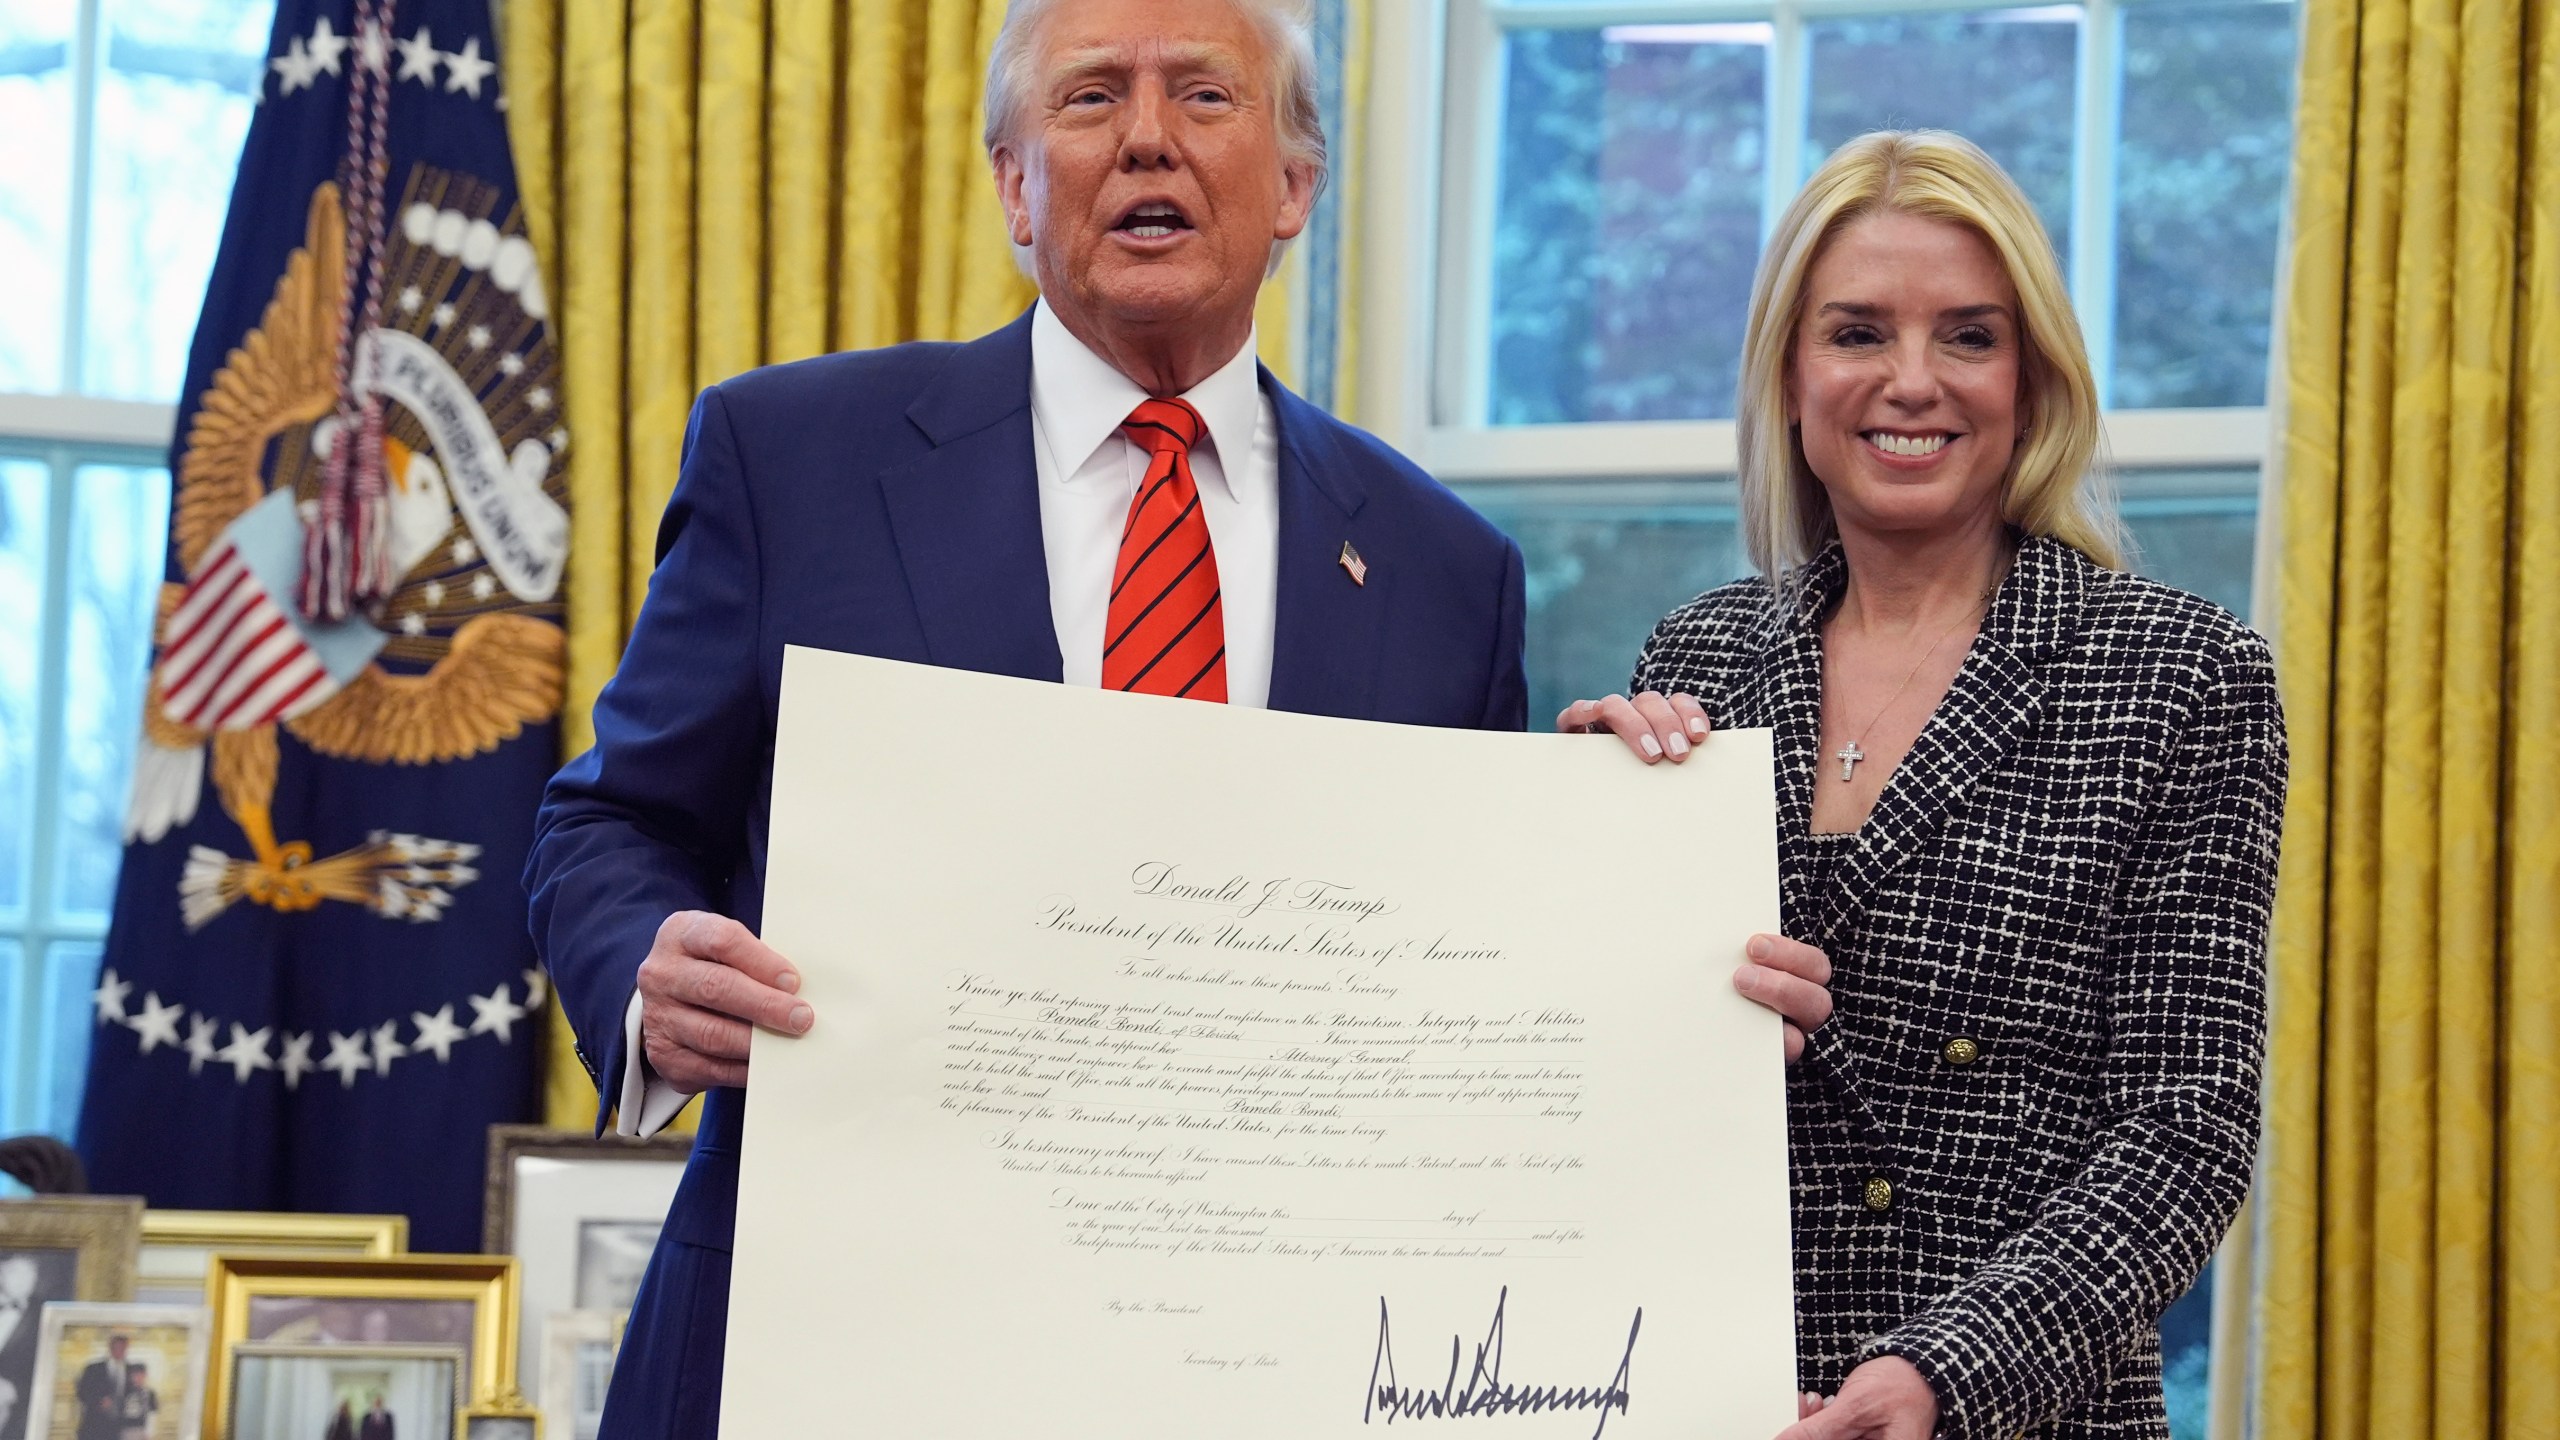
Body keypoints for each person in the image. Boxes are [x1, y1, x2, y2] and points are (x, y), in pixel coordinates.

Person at [524, 0, 1530, 1434]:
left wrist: (1628, 856)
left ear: (1298, 183)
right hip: (829, 1335)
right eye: (1088, 100)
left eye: (1205, 96)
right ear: (1013, 183)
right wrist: (643, 973)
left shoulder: (1447, 571)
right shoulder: (795, 457)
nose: (1144, 140)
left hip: (1267, 1366)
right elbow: (611, 818)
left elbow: (1473, 972)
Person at [1562, 129, 2286, 1440]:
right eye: (1856, 333)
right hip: (1713, 1405)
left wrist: (1945, 1377)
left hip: (2019, 1413)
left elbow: (2187, 1131)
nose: (1911, 383)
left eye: (1967, 335)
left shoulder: (2187, 675)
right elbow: (1607, 1099)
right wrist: (1566, 889)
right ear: (1789, 374)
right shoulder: (1694, 659)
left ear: (2032, 376)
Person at [0, 1257, 41, 1440]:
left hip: (15, 1412)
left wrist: (16, 1390)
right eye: (16, 1272)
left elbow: (46, 1368)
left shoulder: (42, 1317)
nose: (24, 1279)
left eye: (30, 1274)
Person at [72, 1334, 131, 1440]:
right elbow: (81, 1392)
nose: (120, 1350)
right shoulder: (93, 1369)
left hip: (120, 1428)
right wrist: (99, 1401)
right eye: (117, 1347)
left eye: (123, 1348)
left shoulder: (131, 1370)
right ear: (110, 1347)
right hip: (94, 1426)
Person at [114, 1361, 154, 1440]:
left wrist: (149, 1433)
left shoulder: (149, 1393)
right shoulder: (122, 1393)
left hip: (141, 1429)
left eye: (140, 1375)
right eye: (134, 1375)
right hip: (123, 1429)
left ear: (145, 1375)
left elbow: (152, 1415)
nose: (137, 1378)